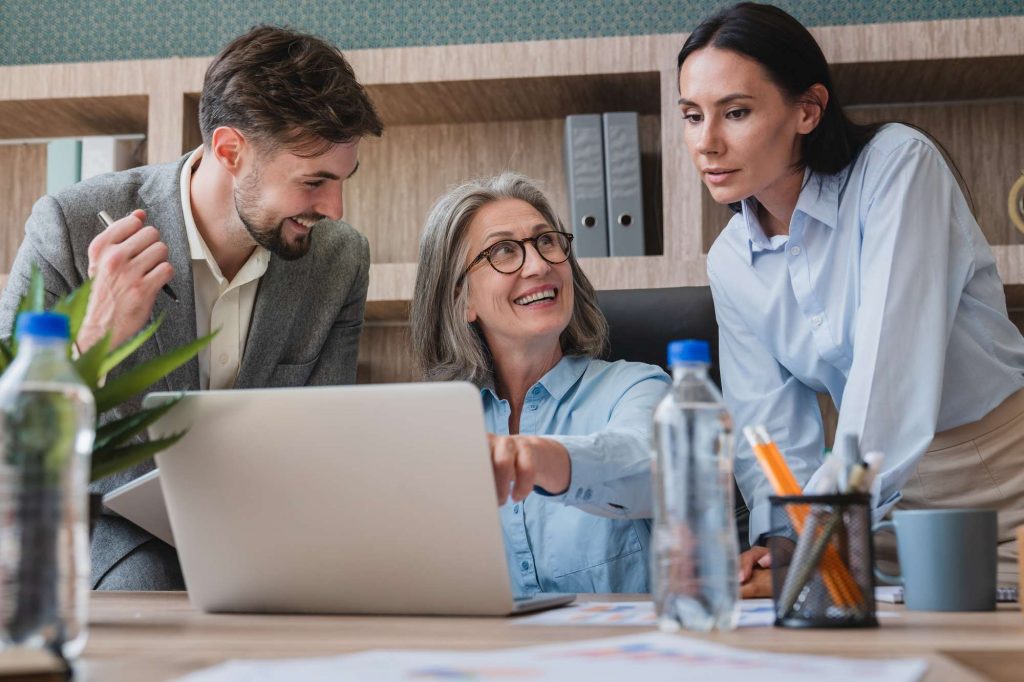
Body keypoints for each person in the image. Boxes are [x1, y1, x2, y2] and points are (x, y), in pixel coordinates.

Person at [0, 25, 384, 590]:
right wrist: (93, 339)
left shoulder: (339, 260)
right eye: (314, 181)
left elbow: (323, 448)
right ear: (230, 150)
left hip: (271, 545)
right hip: (109, 549)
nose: (334, 206)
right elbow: (9, 444)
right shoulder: (70, 225)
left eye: (343, 179)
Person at [677, 1, 1024, 595]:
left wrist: (819, 534)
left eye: (735, 112)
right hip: (883, 508)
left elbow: (892, 372)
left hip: (1003, 473)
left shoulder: (897, 166)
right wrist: (782, 542)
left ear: (807, 109)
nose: (706, 143)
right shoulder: (730, 259)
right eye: (690, 116)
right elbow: (769, 426)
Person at [411, 173, 670, 595]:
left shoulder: (637, 386)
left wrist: (538, 457)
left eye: (546, 241)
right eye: (504, 251)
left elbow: (654, 471)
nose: (539, 265)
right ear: (463, 300)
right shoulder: (435, 425)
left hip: (623, 652)